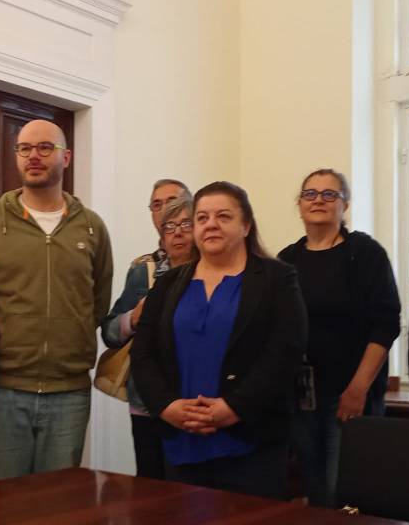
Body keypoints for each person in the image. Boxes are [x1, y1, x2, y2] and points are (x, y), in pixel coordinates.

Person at [131, 181, 308, 500]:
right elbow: (143, 355)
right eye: (202, 218)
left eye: (223, 216)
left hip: (252, 442)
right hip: (180, 441)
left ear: (246, 226)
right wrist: (167, 406)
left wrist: (234, 408)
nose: (211, 224)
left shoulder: (277, 279)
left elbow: (285, 353)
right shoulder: (168, 284)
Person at [0, 119, 113, 479]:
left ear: (66, 157)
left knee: (57, 499)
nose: (34, 156)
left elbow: (98, 302)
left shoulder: (91, 227)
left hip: (69, 393)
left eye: (45, 148)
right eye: (24, 148)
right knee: (2, 500)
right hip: (3, 391)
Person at [277, 169, 400, 507]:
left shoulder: (365, 253)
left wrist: (358, 389)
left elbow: (386, 324)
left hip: (351, 393)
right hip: (302, 395)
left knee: (342, 490)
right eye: (310, 194)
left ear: (345, 204)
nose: (318, 200)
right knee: (314, 489)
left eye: (329, 194)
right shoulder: (287, 260)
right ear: (299, 204)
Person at [103, 195, 196, 479]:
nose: (177, 232)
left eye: (186, 224)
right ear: (161, 236)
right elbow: (109, 333)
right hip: (147, 403)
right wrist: (133, 318)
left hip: (196, 401)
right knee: (151, 484)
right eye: (170, 226)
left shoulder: (213, 275)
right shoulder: (144, 272)